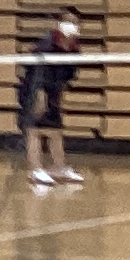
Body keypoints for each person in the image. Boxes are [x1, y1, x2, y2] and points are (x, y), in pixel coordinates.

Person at [23, 12, 86, 188]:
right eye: (68, 21)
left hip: (53, 90)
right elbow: (35, 72)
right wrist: (39, 95)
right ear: (59, 23)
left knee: (55, 130)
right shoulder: (47, 44)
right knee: (34, 130)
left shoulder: (74, 47)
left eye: (75, 22)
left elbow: (69, 73)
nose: (71, 25)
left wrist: (57, 93)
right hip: (35, 88)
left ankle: (59, 167)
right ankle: (35, 170)